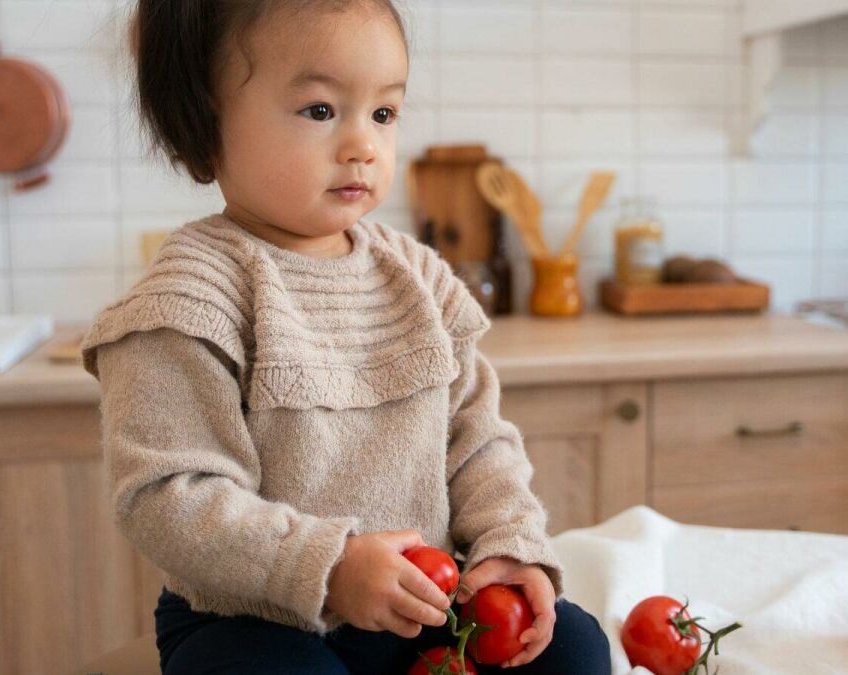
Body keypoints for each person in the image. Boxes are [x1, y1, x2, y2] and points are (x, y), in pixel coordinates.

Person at [80, 1, 611, 673]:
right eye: (321, 111)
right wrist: (327, 567)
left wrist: (509, 539)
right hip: (255, 618)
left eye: (383, 114)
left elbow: (480, 439)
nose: (363, 142)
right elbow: (167, 496)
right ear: (204, 126)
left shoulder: (419, 276)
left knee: (577, 647)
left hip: (428, 606)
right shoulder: (186, 298)